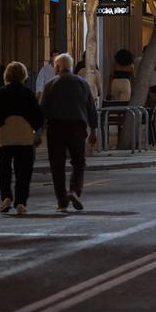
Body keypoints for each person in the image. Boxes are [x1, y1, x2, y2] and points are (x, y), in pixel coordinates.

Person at [40, 53, 98, 213]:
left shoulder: (51, 85)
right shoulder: (82, 83)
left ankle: (62, 202)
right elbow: (91, 109)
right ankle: (74, 191)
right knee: (79, 163)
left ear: (58, 67)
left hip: (55, 128)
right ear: (71, 67)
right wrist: (93, 130)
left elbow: (42, 110)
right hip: (77, 128)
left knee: (57, 166)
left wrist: (37, 132)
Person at [0, 62, 43, 215]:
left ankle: (6, 197)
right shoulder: (27, 93)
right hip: (24, 137)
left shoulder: (1, 93)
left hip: (5, 137)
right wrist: (37, 136)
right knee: (23, 172)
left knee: (4, 170)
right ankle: (20, 202)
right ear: (23, 75)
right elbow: (38, 117)